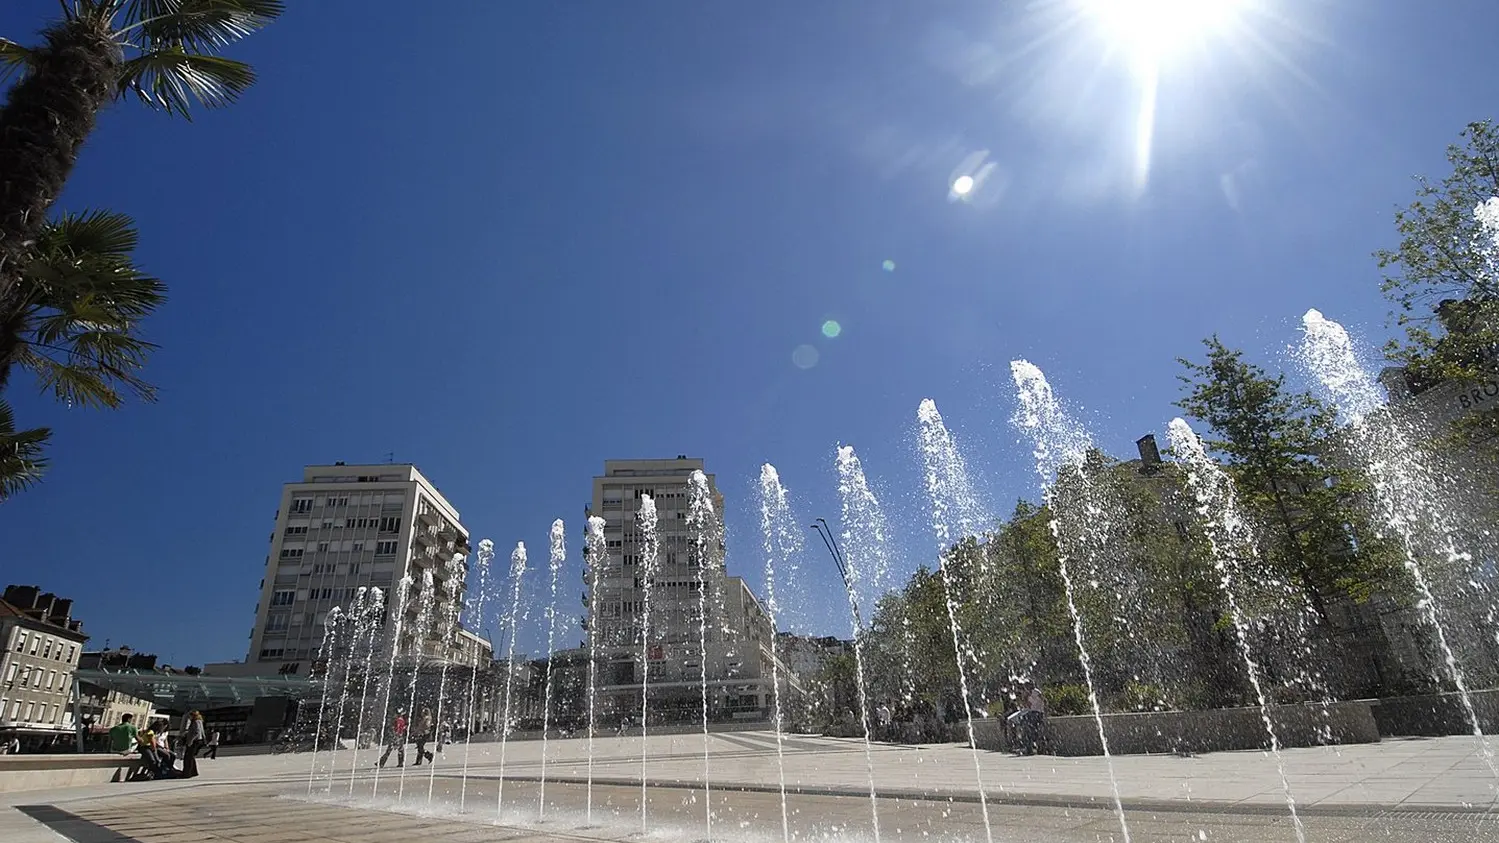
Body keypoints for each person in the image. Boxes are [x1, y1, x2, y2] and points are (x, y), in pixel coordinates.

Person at [180, 711, 207, 778]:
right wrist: (204, 739)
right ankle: (193, 772)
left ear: (193, 715)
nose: (189, 717)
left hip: (194, 741)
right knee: (191, 757)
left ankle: (187, 773)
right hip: (198, 741)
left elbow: (196, 732)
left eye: (190, 716)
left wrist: (190, 741)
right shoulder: (200, 721)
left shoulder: (195, 722)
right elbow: (202, 732)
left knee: (188, 758)